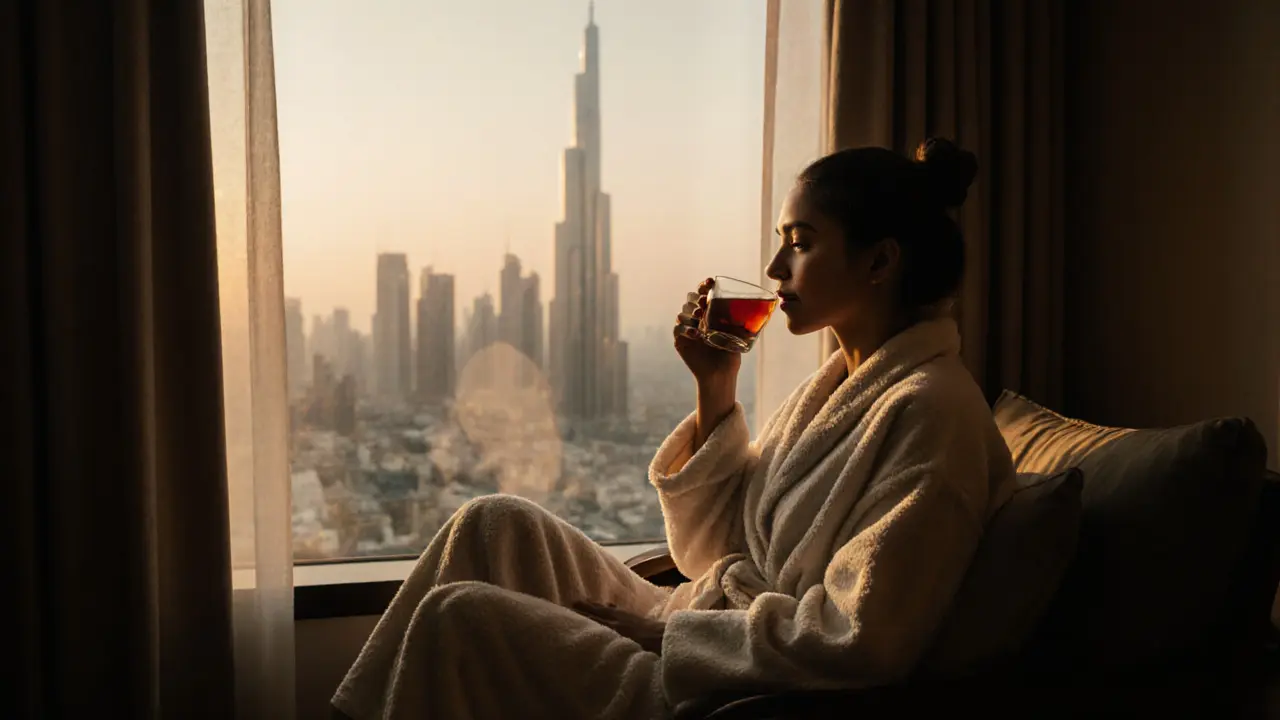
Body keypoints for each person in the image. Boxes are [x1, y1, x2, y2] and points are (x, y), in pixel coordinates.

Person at [331, 138, 1016, 720]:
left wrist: (669, 639)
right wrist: (714, 385)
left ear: (879, 261)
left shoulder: (932, 415)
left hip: (718, 683)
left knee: (462, 619)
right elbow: (713, 552)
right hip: (707, 623)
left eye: (800, 244)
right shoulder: (837, 387)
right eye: (780, 244)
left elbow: (863, 638)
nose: (776, 269)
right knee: (492, 522)